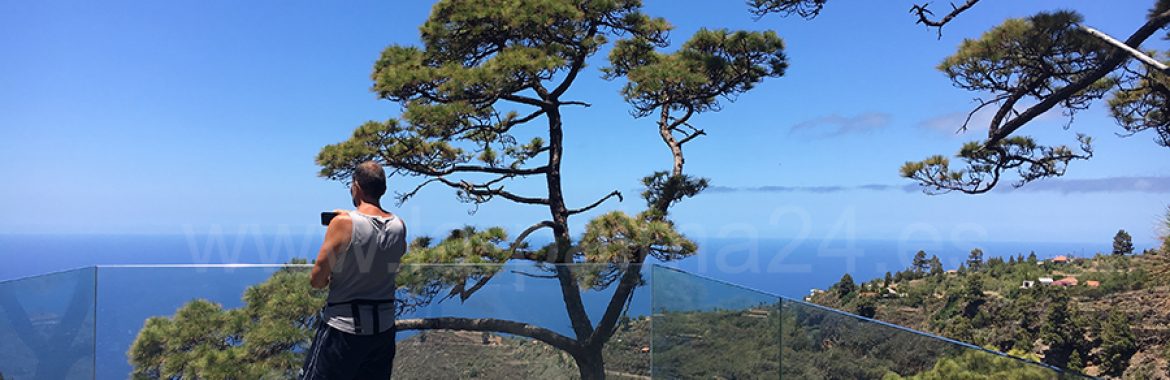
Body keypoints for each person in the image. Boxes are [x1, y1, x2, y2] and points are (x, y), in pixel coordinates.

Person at [301, 161, 407, 379]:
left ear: (356, 187)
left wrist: (342, 221)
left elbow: (317, 279)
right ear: (383, 189)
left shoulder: (343, 223)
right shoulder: (399, 225)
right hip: (383, 331)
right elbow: (381, 258)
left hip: (344, 330)